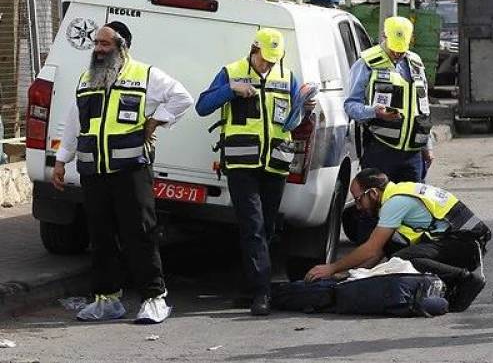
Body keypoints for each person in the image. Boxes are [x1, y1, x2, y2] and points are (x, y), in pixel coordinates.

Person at [52, 21, 193, 324]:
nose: (98, 49)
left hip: (131, 172)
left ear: (122, 47)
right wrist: (61, 160)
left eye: (105, 44)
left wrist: (156, 120)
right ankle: (107, 299)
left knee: (139, 234)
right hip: (94, 172)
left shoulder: (146, 75)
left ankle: (154, 299)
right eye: (96, 43)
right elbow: (75, 123)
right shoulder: (87, 79)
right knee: (100, 236)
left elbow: (182, 97)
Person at [196, 28, 316, 316]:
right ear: (253, 50)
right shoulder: (231, 72)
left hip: (276, 163)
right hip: (242, 164)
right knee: (253, 225)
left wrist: (306, 106)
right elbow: (202, 106)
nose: (268, 64)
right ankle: (262, 293)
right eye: (264, 59)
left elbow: (294, 119)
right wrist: (231, 90)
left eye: (273, 60)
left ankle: (251, 287)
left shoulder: (287, 77)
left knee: (267, 228)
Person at [304, 168, 492, 312]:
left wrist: (332, 267)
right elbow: (380, 250)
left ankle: (465, 280)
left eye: (359, 199)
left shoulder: (395, 202)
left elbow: (371, 248)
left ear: (373, 193)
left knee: (403, 260)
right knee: (395, 247)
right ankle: (450, 282)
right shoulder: (398, 192)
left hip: (467, 246)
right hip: (460, 243)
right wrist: (352, 274)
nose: (358, 207)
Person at [342, 16, 435, 242]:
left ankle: (407, 257)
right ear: (384, 36)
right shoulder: (367, 63)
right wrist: (375, 112)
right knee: (371, 208)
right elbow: (350, 105)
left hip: (412, 152)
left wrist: (427, 146)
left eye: (402, 49)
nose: (397, 53)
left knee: (413, 208)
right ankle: (367, 259)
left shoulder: (415, 63)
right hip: (380, 148)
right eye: (394, 48)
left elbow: (422, 107)